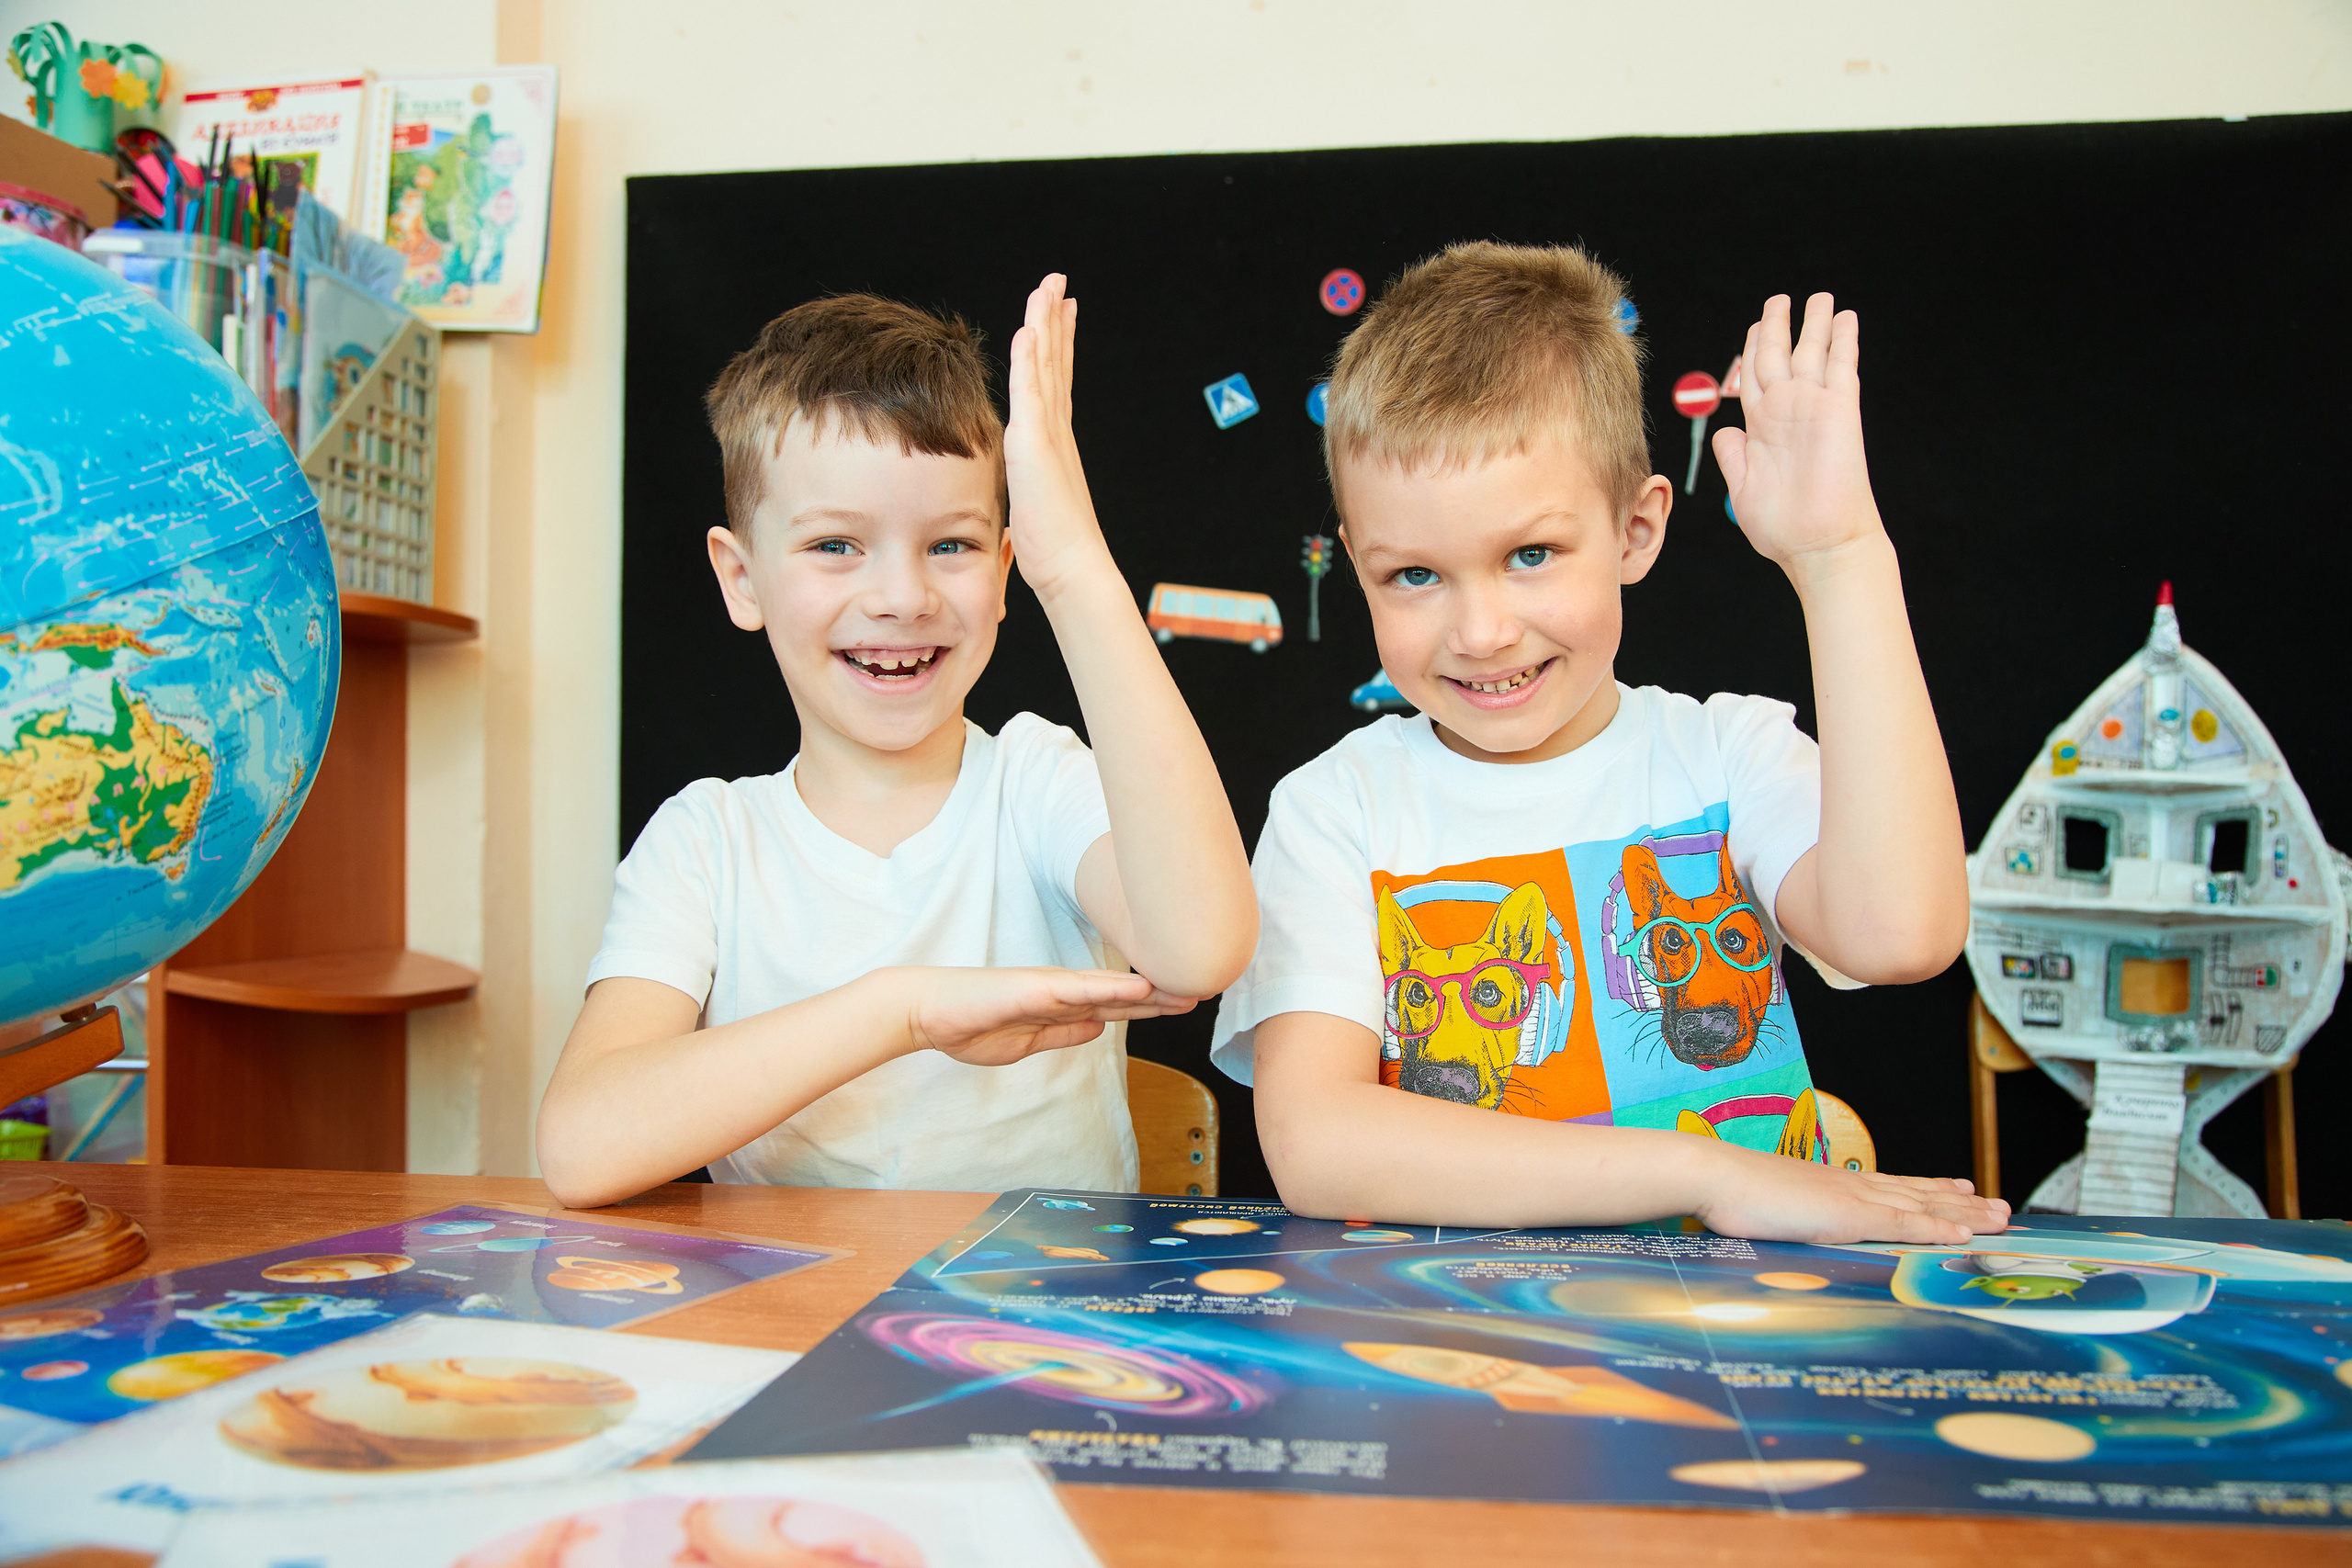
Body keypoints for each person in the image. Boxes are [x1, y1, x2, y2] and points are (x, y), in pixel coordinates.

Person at [1212, 243, 2008, 1245]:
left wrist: (1838, 558)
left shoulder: (1725, 753)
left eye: (1529, 555)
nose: (1481, 631)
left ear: (1636, 530)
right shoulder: (1335, 810)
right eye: (1413, 575)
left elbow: (1902, 935)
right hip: (1461, 1358)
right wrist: (1703, 1174)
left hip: (1732, 1341)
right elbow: (1317, 1146)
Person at [538, 276, 1255, 1209]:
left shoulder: (1037, 783)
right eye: (836, 545)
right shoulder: (706, 843)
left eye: (950, 546)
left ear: (1005, 572)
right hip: (784, 1322)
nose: (901, 597)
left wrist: (1072, 566)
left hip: (1034, 1330)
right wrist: (905, 1012)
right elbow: (583, 1148)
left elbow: (1200, 951)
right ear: (740, 577)